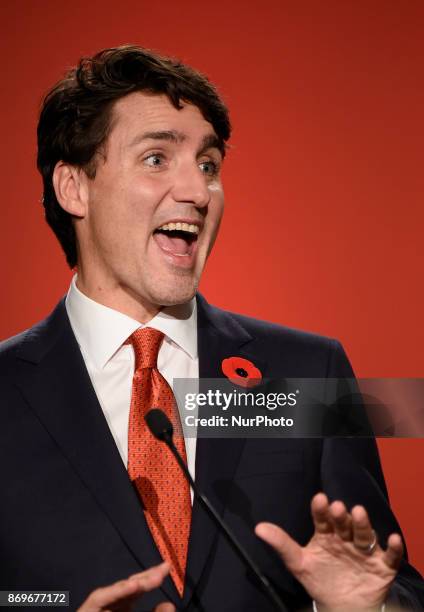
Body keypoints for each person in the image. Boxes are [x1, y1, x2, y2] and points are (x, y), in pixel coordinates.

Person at [0, 45, 422, 612]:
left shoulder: (310, 375)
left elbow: (397, 587)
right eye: (156, 159)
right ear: (74, 188)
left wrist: (360, 609)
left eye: (208, 165)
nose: (198, 193)